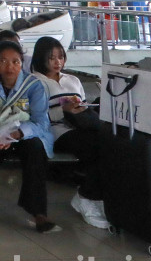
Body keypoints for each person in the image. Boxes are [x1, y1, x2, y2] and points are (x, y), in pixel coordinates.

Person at [0, 41, 58, 233]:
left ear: (22, 63)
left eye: (15, 62)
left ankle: (38, 213)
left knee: (35, 150)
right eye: (3, 61)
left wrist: (18, 134)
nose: (9, 67)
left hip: (25, 135)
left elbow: (41, 122)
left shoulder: (34, 85)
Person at [31, 36, 108, 229]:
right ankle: (87, 196)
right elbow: (33, 116)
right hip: (55, 131)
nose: (58, 62)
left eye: (61, 57)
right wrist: (62, 110)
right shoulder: (34, 82)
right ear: (41, 58)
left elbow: (83, 108)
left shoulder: (72, 80)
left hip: (80, 126)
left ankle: (96, 194)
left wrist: (79, 108)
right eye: (51, 58)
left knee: (109, 143)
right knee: (95, 146)